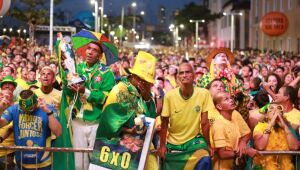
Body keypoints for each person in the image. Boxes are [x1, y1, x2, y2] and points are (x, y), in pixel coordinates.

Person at [95, 51, 158, 170]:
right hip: (119, 151)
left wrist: (148, 100)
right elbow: (108, 125)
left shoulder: (144, 93)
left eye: (148, 83)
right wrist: (129, 129)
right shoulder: (119, 91)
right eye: (143, 81)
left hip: (143, 146)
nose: (146, 85)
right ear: (135, 77)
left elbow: (152, 117)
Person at [65, 41, 115, 170]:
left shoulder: (106, 73)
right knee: (78, 160)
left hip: (96, 121)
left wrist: (85, 91)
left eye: (94, 50)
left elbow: (105, 98)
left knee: (93, 159)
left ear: (99, 55)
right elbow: (66, 93)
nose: (90, 52)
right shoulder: (77, 68)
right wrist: (69, 86)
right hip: (77, 120)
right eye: (88, 48)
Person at [158, 62, 214, 170]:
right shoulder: (169, 96)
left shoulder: (204, 93)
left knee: (205, 159)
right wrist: (162, 146)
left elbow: (205, 123)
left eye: (187, 72)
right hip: (173, 141)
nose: (184, 75)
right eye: (181, 73)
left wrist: (208, 144)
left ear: (193, 75)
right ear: (178, 77)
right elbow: (164, 123)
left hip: (194, 141)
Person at [0, 90, 62, 169]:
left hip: (43, 163)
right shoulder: (15, 109)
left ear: (36, 101)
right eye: (24, 110)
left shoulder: (48, 108)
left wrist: (48, 112)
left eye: (30, 109)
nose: (27, 112)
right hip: (20, 163)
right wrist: (1, 109)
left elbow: (58, 132)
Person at [211, 92, 257, 170]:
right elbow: (222, 154)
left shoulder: (233, 120)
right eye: (226, 99)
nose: (231, 100)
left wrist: (242, 143)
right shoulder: (219, 124)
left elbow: (245, 135)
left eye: (231, 98)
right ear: (219, 106)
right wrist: (246, 152)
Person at [253, 103, 299, 169]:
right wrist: (271, 124)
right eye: (271, 108)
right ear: (266, 115)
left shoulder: (287, 129)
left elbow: (294, 147)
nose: (276, 111)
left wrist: (285, 127)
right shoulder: (259, 127)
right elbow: (260, 146)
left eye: (279, 109)